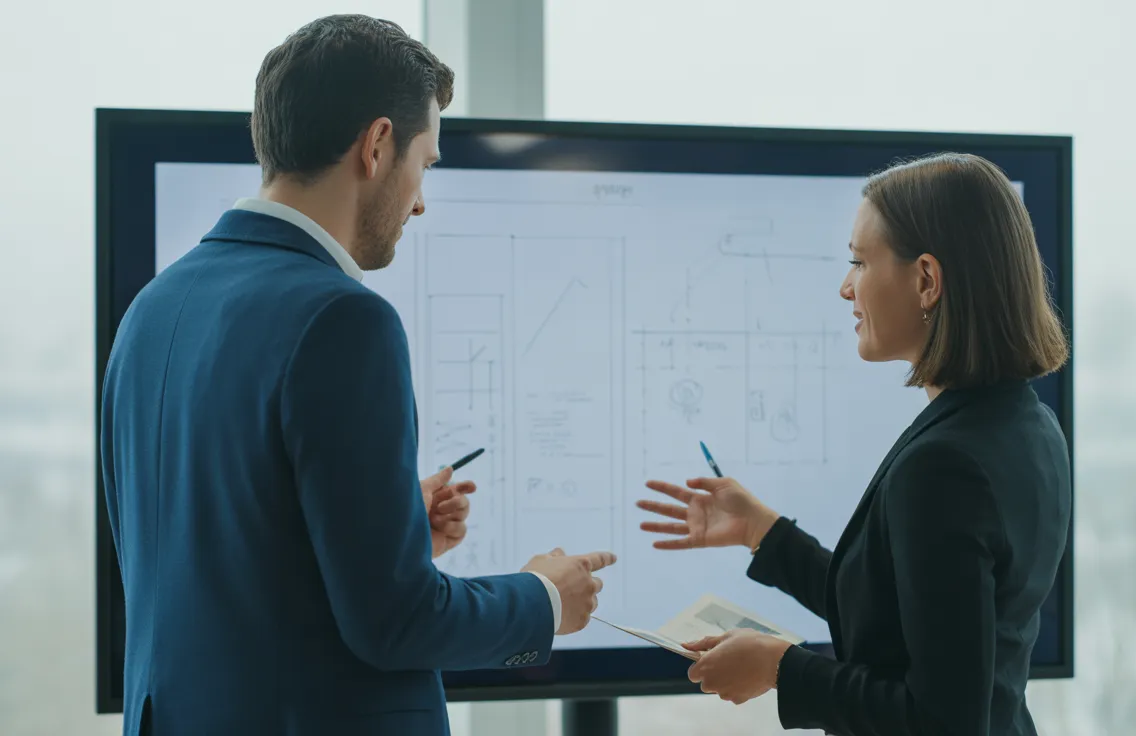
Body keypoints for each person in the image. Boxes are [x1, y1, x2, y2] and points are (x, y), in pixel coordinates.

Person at [100, 15, 614, 736]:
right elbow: (395, 623)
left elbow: (216, 564)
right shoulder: (342, 319)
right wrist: (544, 598)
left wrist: (387, 530)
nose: (421, 200)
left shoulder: (153, 307)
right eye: (425, 163)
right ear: (377, 145)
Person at [638, 153, 1071, 736]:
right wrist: (762, 531)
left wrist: (782, 669)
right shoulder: (1025, 423)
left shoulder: (943, 466)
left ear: (926, 279)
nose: (846, 288)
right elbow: (898, 612)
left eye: (859, 262)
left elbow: (940, 722)